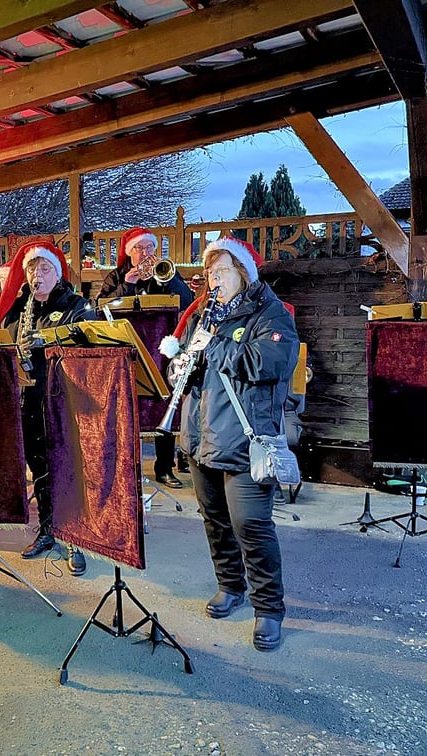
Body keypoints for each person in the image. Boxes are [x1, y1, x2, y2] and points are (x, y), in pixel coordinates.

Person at [162, 236, 297, 651]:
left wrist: (216, 346)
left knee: (251, 525)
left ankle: (268, 608)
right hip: (201, 435)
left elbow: (269, 363)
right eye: (209, 273)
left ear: (242, 273)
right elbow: (190, 368)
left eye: (221, 271)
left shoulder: (271, 313)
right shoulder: (205, 314)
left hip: (244, 438)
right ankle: (230, 585)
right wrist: (178, 366)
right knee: (215, 520)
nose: (213, 279)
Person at [0, 241, 95, 575]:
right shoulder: (18, 309)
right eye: (32, 269)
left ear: (58, 273)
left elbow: (87, 340)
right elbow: (1, 344)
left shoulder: (75, 305)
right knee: (40, 469)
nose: (38, 275)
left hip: (64, 400)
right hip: (28, 399)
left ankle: (76, 537)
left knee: (69, 469)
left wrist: (43, 339)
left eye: (45, 268)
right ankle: (49, 528)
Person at [98, 227, 195, 488]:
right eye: (139, 248)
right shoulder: (116, 276)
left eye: (150, 248)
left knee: (166, 403)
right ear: (129, 252)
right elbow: (101, 307)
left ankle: (165, 468)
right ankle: (128, 469)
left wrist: (167, 280)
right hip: (128, 348)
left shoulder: (165, 271)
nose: (145, 253)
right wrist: (127, 285)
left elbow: (187, 300)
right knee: (127, 406)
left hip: (161, 349)